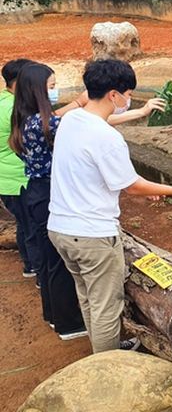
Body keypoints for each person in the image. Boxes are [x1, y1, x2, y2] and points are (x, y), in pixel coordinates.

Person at [47, 59, 172, 353]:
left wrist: (142, 188)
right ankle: (109, 363)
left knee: (87, 295)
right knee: (106, 304)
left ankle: (106, 346)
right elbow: (131, 185)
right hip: (91, 235)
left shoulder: (71, 120)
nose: (129, 100)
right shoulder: (107, 138)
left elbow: (117, 178)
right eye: (128, 94)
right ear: (114, 95)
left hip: (60, 229)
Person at [9, 62, 89, 340]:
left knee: (46, 257)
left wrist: (78, 104)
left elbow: (56, 117)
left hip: (35, 191)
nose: (54, 92)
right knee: (58, 259)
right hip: (48, 192)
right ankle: (70, 324)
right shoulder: (45, 125)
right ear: (37, 91)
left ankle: (53, 315)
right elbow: (79, 124)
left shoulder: (23, 119)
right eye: (52, 87)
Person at [1, 59, 37, 278]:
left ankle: (29, 266)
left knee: (24, 223)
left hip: (6, 178)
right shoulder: (14, 108)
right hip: (18, 177)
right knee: (31, 226)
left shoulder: (4, 101)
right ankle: (36, 268)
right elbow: (43, 127)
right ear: (18, 83)